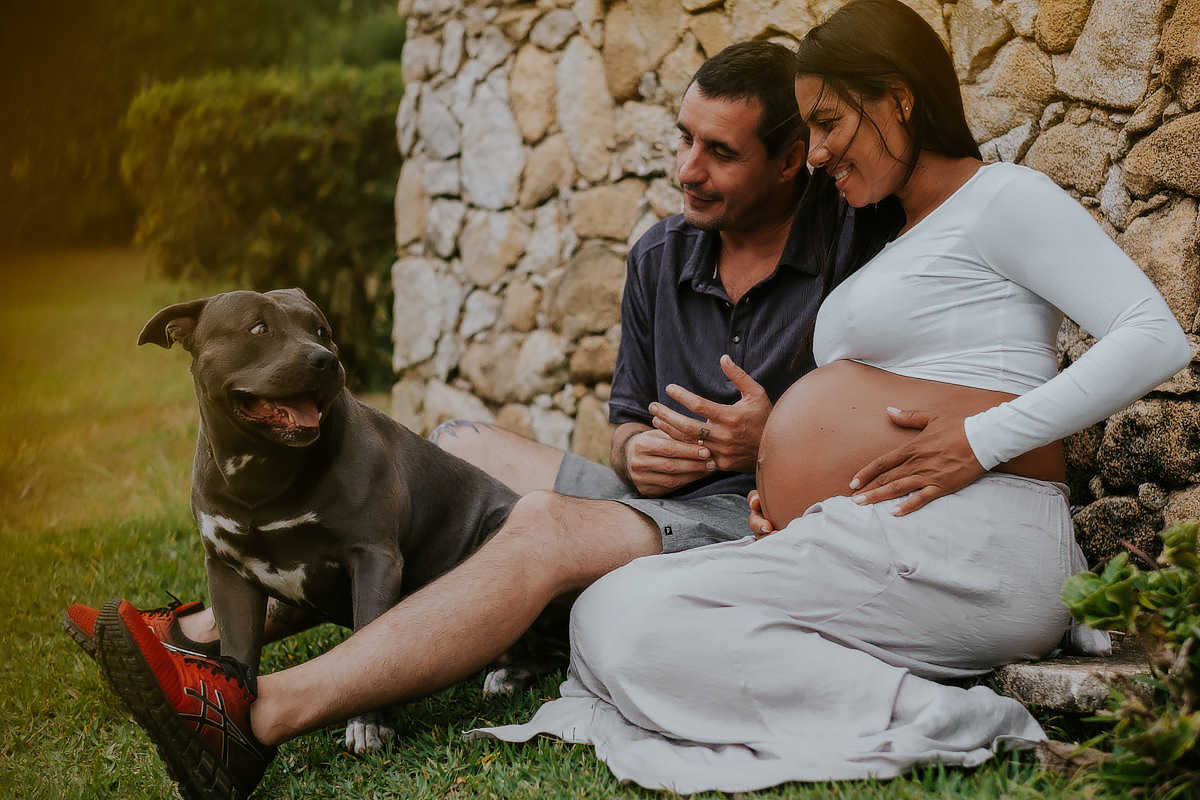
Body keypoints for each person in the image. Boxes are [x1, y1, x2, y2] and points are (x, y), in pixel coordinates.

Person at [80, 41, 852, 798]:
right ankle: (202, 633)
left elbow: (877, 426)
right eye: (684, 140)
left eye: (720, 152)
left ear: (790, 161)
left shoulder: (846, 253)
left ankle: (259, 712)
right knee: (450, 452)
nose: (687, 168)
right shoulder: (660, 255)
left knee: (537, 523)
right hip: (653, 502)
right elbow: (622, 423)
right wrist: (633, 450)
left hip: (751, 517)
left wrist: (769, 441)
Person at [465, 0, 1192, 792]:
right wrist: (794, 490)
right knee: (607, 609)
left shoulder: (1003, 198)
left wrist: (979, 441)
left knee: (640, 633)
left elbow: (1152, 336)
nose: (815, 153)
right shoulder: (897, 235)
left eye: (828, 122)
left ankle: (951, 720)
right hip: (880, 535)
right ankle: (879, 693)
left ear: (899, 98)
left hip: (976, 541)